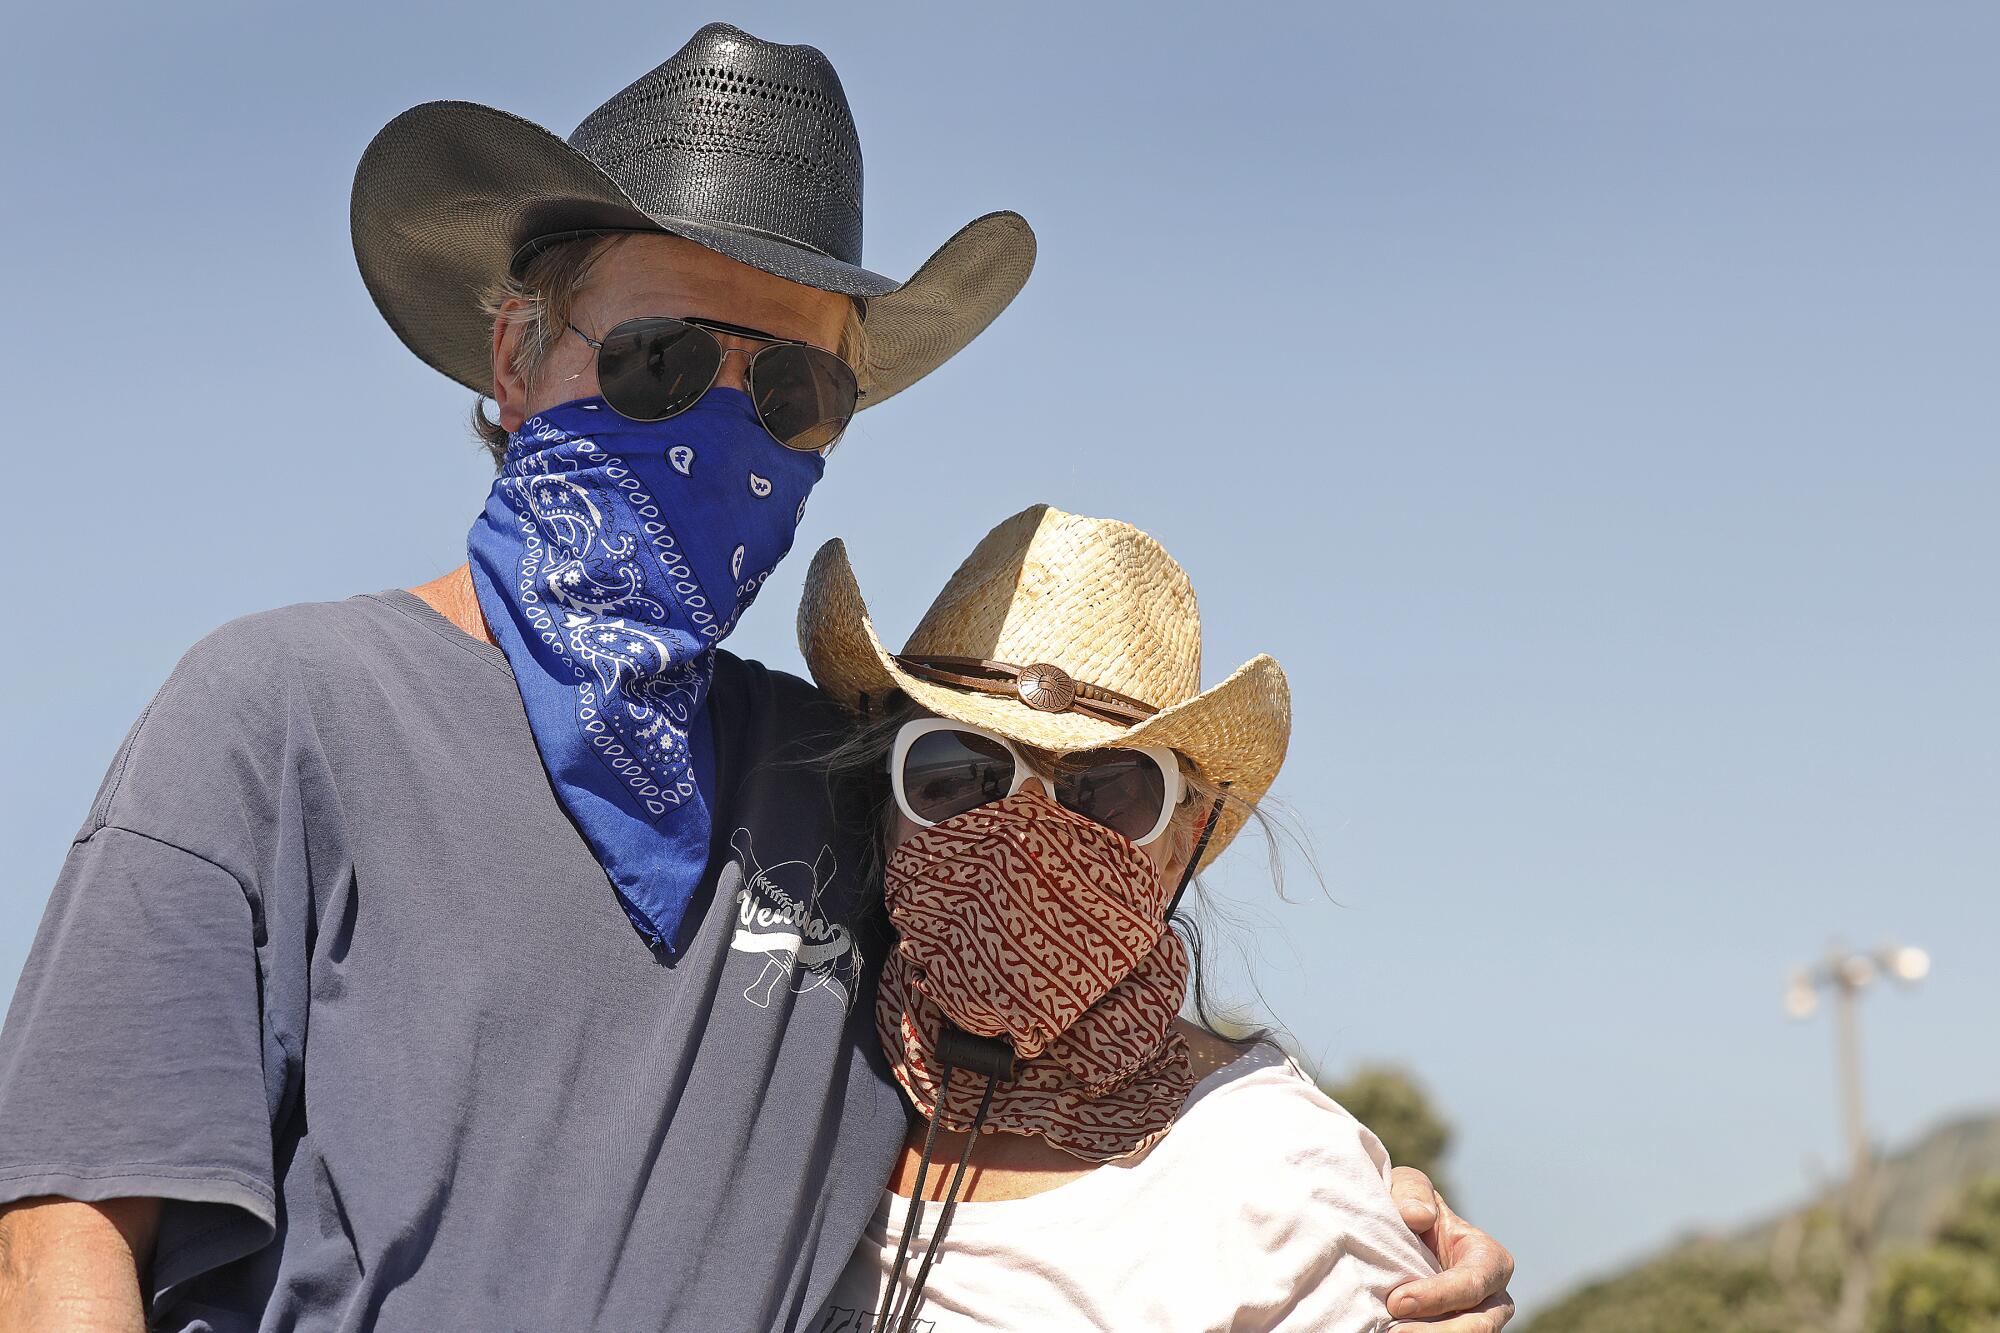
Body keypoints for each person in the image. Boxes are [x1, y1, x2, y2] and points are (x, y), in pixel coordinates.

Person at [0, 22, 1510, 1333]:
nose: (722, 427)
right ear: (516, 354)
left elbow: (1079, 982)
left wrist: (1362, 1205)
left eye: (791, 387)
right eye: (661, 361)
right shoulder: (282, 714)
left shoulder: (854, 787)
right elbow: (63, 1242)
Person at [796, 504, 1516, 1332]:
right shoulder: (789, 1067)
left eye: (1102, 790)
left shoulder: (1277, 1179)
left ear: (1178, 844)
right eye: (956, 773)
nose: (1028, 833)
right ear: (885, 803)